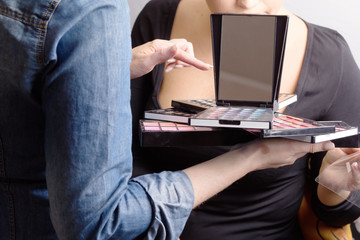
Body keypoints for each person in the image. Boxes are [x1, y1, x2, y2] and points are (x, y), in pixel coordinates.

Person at [0, 0, 335, 239]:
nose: (246, 4)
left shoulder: (329, 54)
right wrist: (252, 156)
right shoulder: (121, 14)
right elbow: (97, 224)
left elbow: (340, 203)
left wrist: (105, 68)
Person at [131, 0, 360, 239]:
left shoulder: (331, 57)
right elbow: (119, 155)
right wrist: (149, 224)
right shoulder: (158, 17)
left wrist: (334, 186)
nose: (247, 3)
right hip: (148, 223)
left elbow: (339, 215)